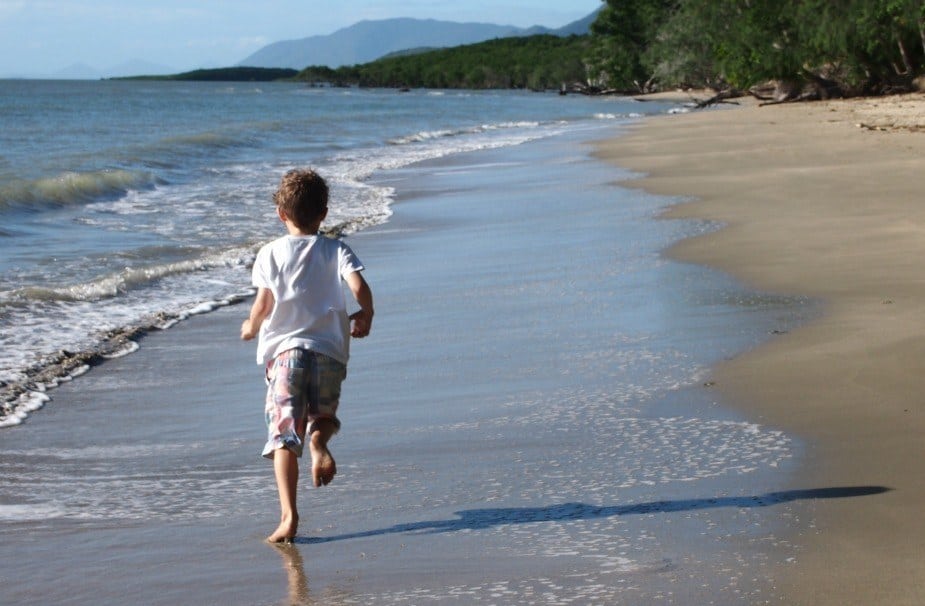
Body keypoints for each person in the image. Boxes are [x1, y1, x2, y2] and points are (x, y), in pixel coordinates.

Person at [241, 168, 374, 543]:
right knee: (325, 416)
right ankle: (319, 442)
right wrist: (366, 313)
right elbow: (359, 285)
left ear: (281, 215)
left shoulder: (269, 253)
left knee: (284, 434)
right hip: (328, 353)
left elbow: (263, 303)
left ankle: (288, 516)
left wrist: (251, 327)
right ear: (324, 214)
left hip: (285, 357)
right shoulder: (336, 249)